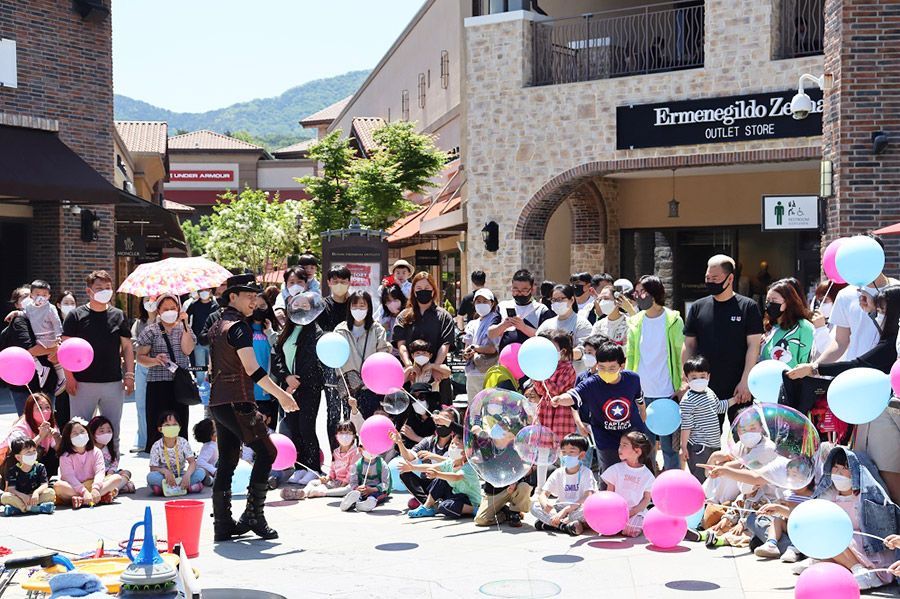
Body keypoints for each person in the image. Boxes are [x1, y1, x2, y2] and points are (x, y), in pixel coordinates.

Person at [206, 274, 299, 542]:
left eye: (255, 297)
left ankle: (223, 524)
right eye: (248, 296)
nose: (254, 302)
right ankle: (254, 516)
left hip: (218, 402)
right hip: (237, 401)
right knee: (267, 452)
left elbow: (214, 368)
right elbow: (252, 369)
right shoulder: (239, 327)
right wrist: (282, 395)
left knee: (228, 459)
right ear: (232, 296)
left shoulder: (217, 326)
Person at [788, 285, 900, 502]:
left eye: (882, 311)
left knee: (888, 479)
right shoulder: (889, 337)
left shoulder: (891, 343)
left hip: (886, 413)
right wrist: (871, 309)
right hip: (872, 409)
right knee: (874, 475)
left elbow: (859, 363)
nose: (878, 316)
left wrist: (814, 368)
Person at [792, 448, 897, 589]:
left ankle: (861, 570)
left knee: (833, 537)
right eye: (835, 467)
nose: (839, 472)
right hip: (845, 544)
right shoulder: (830, 495)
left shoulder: (865, 498)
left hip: (865, 547)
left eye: (845, 468)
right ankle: (824, 561)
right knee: (823, 534)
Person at [682, 255, 763, 423]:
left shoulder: (748, 307)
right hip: (705, 385)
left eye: (715, 278)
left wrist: (746, 381)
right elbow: (689, 345)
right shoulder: (698, 307)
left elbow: (754, 346)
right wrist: (686, 378)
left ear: (730, 278)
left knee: (743, 434)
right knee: (705, 436)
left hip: (738, 385)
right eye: (707, 278)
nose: (710, 282)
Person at [61, 270, 135, 447]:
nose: (105, 291)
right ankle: (81, 463)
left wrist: (129, 375)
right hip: (82, 382)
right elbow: (65, 349)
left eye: (108, 287)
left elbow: (127, 347)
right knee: (79, 431)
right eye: (99, 288)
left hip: (113, 382)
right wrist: (69, 377)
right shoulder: (75, 316)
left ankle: (112, 461)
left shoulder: (118, 315)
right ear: (89, 291)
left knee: (112, 430)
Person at [551, 341, 648, 473]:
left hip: (632, 434)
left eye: (611, 368)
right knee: (609, 473)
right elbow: (574, 395)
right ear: (597, 365)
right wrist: (560, 399)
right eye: (602, 368)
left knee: (636, 472)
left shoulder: (632, 379)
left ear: (622, 365)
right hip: (606, 437)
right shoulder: (592, 383)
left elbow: (639, 398)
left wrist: (642, 411)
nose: (606, 372)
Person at [625, 275, 684, 470]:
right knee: (645, 447)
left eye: (643, 292)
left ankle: (673, 483)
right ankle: (649, 483)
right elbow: (631, 355)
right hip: (642, 394)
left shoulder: (673, 320)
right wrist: (628, 385)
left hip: (667, 392)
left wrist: (682, 385)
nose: (639, 297)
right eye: (636, 293)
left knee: (670, 448)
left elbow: (680, 353)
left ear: (655, 293)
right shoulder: (635, 322)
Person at [135, 293, 195, 453]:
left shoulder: (183, 328)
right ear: (159, 311)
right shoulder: (151, 331)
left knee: (180, 420)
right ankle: (157, 454)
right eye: (165, 309)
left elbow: (188, 350)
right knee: (157, 420)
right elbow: (140, 357)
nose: (169, 312)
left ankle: (181, 452)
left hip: (179, 383)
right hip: (157, 383)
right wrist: (155, 360)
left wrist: (185, 324)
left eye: (173, 308)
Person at [270, 308, 325, 463]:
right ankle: (300, 465)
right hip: (288, 387)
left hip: (309, 387)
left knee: (306, 427)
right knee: (293, 427)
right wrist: (286, 377)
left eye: (304, 306)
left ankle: (313, 466)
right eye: (296, 306)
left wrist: (296, 382)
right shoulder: (285, 332)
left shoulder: (315, 332)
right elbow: (276, 356)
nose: (300, 309)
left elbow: (312, 360)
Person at [679, 356, 743, 482]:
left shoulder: (709, 392)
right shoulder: (687, 401)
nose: (699, 380)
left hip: (714, 444)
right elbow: (686, 426)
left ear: (708, 376)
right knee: (701, 478)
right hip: (699, 447)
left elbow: (719, 407)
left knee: (713, 477)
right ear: (687, 379)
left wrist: (735, 400)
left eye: (702, 376)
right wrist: (683, 447)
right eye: (694, 378)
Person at [4, 286, 60, 416]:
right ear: (17, 304)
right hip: (26, 387)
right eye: (23, 296)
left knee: (47, 422)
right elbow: (30, 350)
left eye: (31, 295)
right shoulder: (19, 321)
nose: (30, 298)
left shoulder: (44, 315)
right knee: (29, 423)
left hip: (47, 384)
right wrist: (57, 347)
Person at [334, 291, 390, 417]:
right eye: (354, 306)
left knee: (369, 420)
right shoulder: (340, 330)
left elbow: (382, 353)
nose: (358, 309)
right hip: (350, 386)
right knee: (351, 422)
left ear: (368, 307)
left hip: (371, 386)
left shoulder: (377, 329)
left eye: (362, 305)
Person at [394, 272, 455, 388]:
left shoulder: (444, 316)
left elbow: (445, 345)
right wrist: (409, 366)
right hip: (410, 377)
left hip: (437, 377)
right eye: (419, 288)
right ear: (414, 291)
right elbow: (401, 344)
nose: (423, 291)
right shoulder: (403, 316)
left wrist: (435, 367)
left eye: (427, 288)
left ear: (433, 290)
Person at [390, 408, 457, 507]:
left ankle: (429, 504)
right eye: (439, 418)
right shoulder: (428, 441)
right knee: (404, 474)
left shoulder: (456, 444)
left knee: (441, 477)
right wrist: (400, 443)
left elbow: (456, 463)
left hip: (446, 485)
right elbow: (410, 457)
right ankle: (428, 503)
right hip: (428, 483)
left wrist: (435, 457)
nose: (441, 421)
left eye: (445, 418)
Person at [531, 433, 596, 535]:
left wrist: (565, 511)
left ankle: (550, 523)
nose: (566, 456)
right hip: (559, 509)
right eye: (564, 452)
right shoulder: (558, 472)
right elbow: (543, 494)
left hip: (576, 509)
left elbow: (587, 497)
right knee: (534, 506)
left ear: (582, 455)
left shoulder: (586, 473)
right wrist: (545, 504)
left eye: (571, 452)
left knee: (590, 508)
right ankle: (565, 526)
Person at [405, 434, 481, 519]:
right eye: (452, 443)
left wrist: (437, 474)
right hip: (456, 494)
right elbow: (432, 467)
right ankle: (427, 507)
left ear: (467, 450)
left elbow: (456, 477)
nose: (452, 446)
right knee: (441, 480)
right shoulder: (451, 462)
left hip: (469, 500)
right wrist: (412, 467)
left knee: (444, 506)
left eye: (457, 444)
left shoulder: (469, 466)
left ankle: (474, 509)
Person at [283, 420, 361, 500]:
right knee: (313, 482)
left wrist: (342, 485)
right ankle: (303, 492)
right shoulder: (336, 452)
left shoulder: (355, 452)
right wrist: (327, 478)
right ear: (336, 436)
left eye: (348, 433)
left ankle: (322, 493)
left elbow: (351, 473)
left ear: (354, 436)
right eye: (341, 433)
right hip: (335, 481)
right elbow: (333, 469)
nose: (344, 436)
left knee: (348, 489)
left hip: (348, 483)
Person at [54, 418, 122, 509]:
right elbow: (68, 476)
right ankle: (96, 497)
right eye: (75, 433)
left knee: (116, 478)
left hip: (92, 484)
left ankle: (84, 499)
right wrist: (83, 491)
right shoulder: (65, 456)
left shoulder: (96, 451)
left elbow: (99, 472)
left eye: (82, 431)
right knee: (58, 486)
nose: (80, 435)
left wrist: (96, 488)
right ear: (69, 439)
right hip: (74, 486)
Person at [601, 431, 656, 537]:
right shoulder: (616, 469)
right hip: (616, 510)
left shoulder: (647, 475)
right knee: (607, 528)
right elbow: (610, 493)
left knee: (632, 529)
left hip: (636, 512)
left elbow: (646, 499)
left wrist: (632, 513)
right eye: (620, 445)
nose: (620, 449)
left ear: (637, 451)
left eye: (624, 446)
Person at [21, 279, 66, 395]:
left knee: (30, 352)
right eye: (37, 294)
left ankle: (41, 370)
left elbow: (56, 322)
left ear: (49, 296)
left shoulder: (50, 308)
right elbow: (24, 314)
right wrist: (15, 313)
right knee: (51, 357)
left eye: (44, 295)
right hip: (39, 337)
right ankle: (61, 377)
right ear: (31, 295)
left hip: (49, 337)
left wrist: (58, 335)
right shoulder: (29, 308)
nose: (41, 297)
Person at [0, 393, 60, 476]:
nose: (45, 411)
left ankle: (46, 478)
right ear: (30, 410)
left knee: (54, 454)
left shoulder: (51, 425)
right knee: (17, 455)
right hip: (17, 466)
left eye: (47, 407)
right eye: (39, 408)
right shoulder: (21, 427)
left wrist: (57, 437)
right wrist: (40, 436)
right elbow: (19, 449)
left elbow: (59, 450)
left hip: (38, 463)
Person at [490, 269, 551, 351]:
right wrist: (503, 325)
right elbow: (491, 333)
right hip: (507, 356)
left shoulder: (541, 310)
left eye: (524, 290)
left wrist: (523, 327)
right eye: (516, 290)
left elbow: (545, 338)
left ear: (532, 289)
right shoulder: (502, 306)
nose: (519, 294)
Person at [533, 330, 578, 440]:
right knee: (542, 443)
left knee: (560, 443)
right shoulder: (548, 366)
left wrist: (544, 375)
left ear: (563, 351)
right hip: (545, 408)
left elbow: (556, 391)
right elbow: (540, 391)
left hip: (561, 409)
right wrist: (535, 375)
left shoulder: (567, 368)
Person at [147, 411, 205, 496]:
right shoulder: (156, 445)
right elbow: (153, 468)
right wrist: (165, 472)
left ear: (179, 428)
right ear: (160, 429)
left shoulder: (183, 442)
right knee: (151, 477)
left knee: (201, 472)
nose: (171, 427)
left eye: (174, 425)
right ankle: (188, 487)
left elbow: (192, 462)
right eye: (167, 425)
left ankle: (165, 488)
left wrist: (187, 475)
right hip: (164, 476)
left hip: (181, 474)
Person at [760, 279, 814, 368]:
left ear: (788, 302)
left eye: (774, 301)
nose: (770, 304)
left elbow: (805, 360)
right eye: (768, 301)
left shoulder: (803, 326)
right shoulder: (769, 325)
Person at [537, 284, 592, 369]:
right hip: (550, 373)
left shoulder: (582, 324)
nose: (556, 303)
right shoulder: (547, 324)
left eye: (560, 300)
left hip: (573, 373)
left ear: (572, 300)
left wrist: (563, 354)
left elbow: (584, 350)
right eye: (554, 300)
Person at [462, 288, 500, 400]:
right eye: (478, 301)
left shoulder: (494, 321)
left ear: (492, 303)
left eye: (485, 301)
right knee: (473, 406)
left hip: (487, 372)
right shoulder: (472, 324)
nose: (481, 304)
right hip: (471, 373)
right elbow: (467, 347)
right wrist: (467, 353)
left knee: (488, 406)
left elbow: (492, 348)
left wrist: (474, 348)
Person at [0, 437, 55, 516]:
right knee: (5, 497)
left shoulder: (40, 467)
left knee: (50, 492)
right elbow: (11, 489)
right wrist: (22, 496)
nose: (33, 454)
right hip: (20, 497)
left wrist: (36, 492)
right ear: (18, 457)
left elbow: (44, 484)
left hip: (35, 497)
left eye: (34, 450)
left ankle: (19, 509)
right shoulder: (13, 470)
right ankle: (36, 508)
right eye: (28, 452)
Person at [129, 297, 156, 453]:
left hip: (159, 366)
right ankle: (142, 440)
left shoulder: (163, 320)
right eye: (147, 299)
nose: (150, 302)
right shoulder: (139, 323)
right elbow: (133, 341)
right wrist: (145, 346)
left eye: (153, 299)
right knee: (141, 404)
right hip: (142, 366)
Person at [248, 293, 280, 422]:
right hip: (247, 392)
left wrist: (270, 333)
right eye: (255, 306)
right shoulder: (242, 330)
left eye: (262, 306)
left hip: (269, 391)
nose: (258, 309)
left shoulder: (273, 330)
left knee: (269, 430)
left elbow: (280, 350)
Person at [88, 415, 134, 494]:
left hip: (109, 476)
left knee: (126, 473)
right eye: (102, 431)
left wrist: (111, 472)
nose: (106, 434)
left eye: (109, 431)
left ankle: (113, 489)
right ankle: (115, 489)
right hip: (95, 477)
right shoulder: (89, 450)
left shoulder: (109, 448)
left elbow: (114, 463)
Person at [339, 447, 391, 512]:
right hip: (363, 488)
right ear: (360, 450)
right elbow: (353, 482)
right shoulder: (357, 465)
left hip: (377, 489)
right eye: (367, 448)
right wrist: (357, 488)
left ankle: (369, 502)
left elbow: (385, 484)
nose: (371, 452)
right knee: (357, 494)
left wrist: (372, 489)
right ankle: (352, 502)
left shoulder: (382, 464)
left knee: (375, 495)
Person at [53, 290, 77, 425]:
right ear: (58, 305)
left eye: (72, 303)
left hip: (76, 368)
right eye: (66, 303)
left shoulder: (78, 321)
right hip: (57, 371)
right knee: (60, 406)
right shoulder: (54, 322)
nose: (70, 305)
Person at [186, 288, 218, 386]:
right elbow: (186, 317)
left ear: (210, 292)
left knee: (213, 365)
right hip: (198, 340)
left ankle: (213, 386)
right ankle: (201, 387)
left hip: (212, 340)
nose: (204, 293)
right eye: (201, 291)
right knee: (199, 366)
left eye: (206, 290)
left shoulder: (215, 305)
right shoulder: (194, 305)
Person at [809, 279, 847, 357]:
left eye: (824, 300)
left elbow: (827, 351)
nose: (820, 304)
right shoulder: (829, 323)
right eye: (818, 300)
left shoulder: (842, 326)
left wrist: (821, 328)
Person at [378, 284, 405, 355]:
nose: (392, 303)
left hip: (405, 355)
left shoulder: (408, 317)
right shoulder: (384, 319)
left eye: (395, 299)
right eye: (389, 301)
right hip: (388, 355)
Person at [193, 418, 217, 486]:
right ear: (212, 435)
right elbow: (200, 461)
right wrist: (214, 470)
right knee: (202, 470)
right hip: (208, 471)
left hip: (213, 467)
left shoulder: (214, 443)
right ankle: (209, 479)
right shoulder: (210, 447)